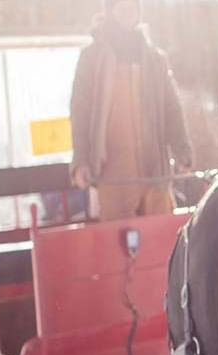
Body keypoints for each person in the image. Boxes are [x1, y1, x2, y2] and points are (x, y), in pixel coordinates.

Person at [69, 0, 193, 221]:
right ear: (110, 10)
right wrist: (81, 161)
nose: (128, 11)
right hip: (114, 174)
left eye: (133, 7)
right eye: (122, 6)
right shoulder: (92, 58)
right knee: (119, 247)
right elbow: (80, 113)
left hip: (155, 171)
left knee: (163, 242)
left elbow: (171, 108)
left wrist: (182, 150)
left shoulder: (156, 59)